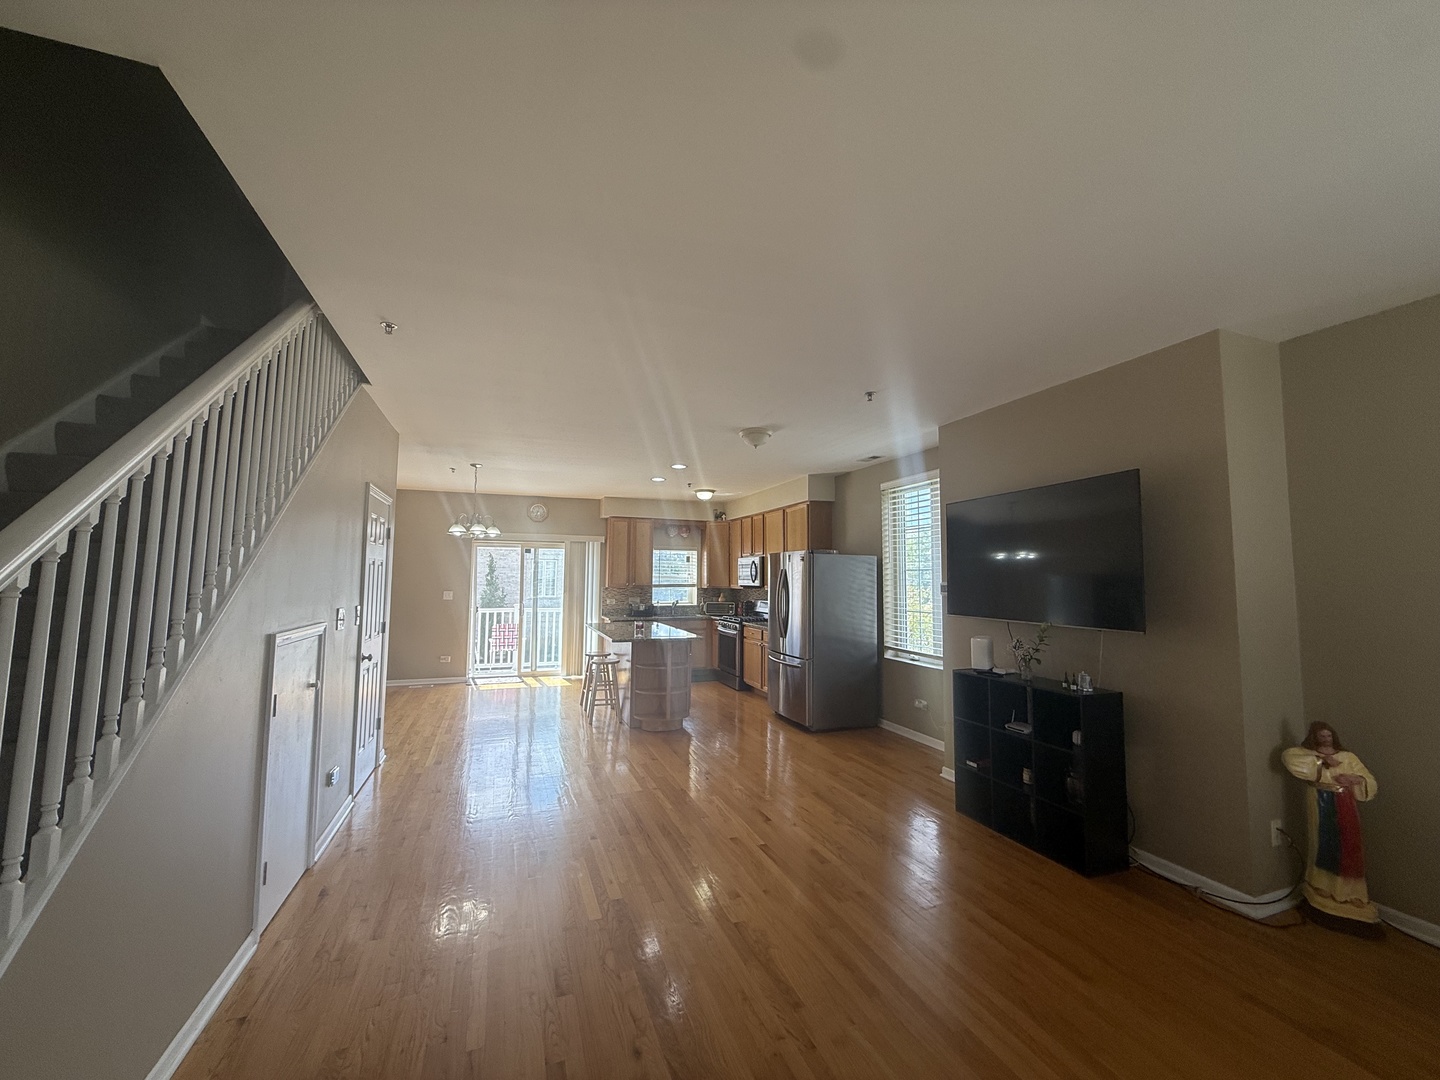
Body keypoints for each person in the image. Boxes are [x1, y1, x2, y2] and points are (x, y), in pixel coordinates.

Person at [1282, 722, 1381, 937]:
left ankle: (1351, 894)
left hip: (1345, 803)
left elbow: (1369, 780)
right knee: (1323, 845)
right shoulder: (1308, 754)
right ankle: (1322, 887)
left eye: (1329, 735)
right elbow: (1290, 758)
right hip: (1320, 801)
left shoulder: (1348, 757)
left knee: (1349, 846)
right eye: (1322, 735)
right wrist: (1323, 760)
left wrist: (1354, 779)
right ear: (1315, 737)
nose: (1326, 739)